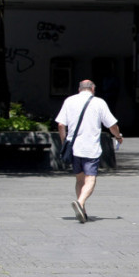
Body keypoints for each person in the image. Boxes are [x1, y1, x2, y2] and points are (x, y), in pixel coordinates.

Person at [55, 79, 123, 223]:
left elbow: (61, 124)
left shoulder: (69, 101)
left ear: (79, 89)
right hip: (91, 147)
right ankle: (80, 202)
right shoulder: (99, 102)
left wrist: (64, 142)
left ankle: (83, 210)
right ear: (93, 89)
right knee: (90, 178)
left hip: (74, 147)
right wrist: (118, 136)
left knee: (79, 179)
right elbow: (112, 125)